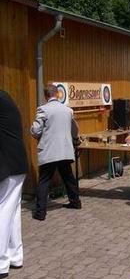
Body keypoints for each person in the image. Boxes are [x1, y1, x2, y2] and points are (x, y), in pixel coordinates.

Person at [31, 84, 81, 221]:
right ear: (58, 94)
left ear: (46, 96)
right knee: (68, 177)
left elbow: (35, 131)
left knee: (44, 180)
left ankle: (40, 213)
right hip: (65, 149)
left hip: (49, 150)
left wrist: (35, 134)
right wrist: (75, 140)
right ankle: (75, 202)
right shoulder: (67, 110)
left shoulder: (43, 109)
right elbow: (75, 129)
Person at [0, 91, 28, 279]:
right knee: (11, 210)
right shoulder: (4, 97)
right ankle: (15, 256)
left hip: (8, 164)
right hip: (15, 163)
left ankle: (1, 263)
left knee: (3, 210)